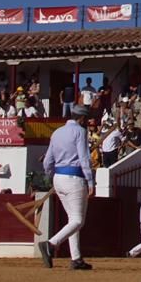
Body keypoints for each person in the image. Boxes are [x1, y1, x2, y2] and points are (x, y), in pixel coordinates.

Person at [39, 105, 95, 270]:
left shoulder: (57, 132)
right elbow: (84, 158)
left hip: (58, 177)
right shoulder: (80, 132)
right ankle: (50, 244)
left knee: (72, 220)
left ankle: (76, 259)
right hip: (74, 178)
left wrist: (51, 175)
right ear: (82, 119)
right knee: (77, 220)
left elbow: (47, 161)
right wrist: (91, 181)